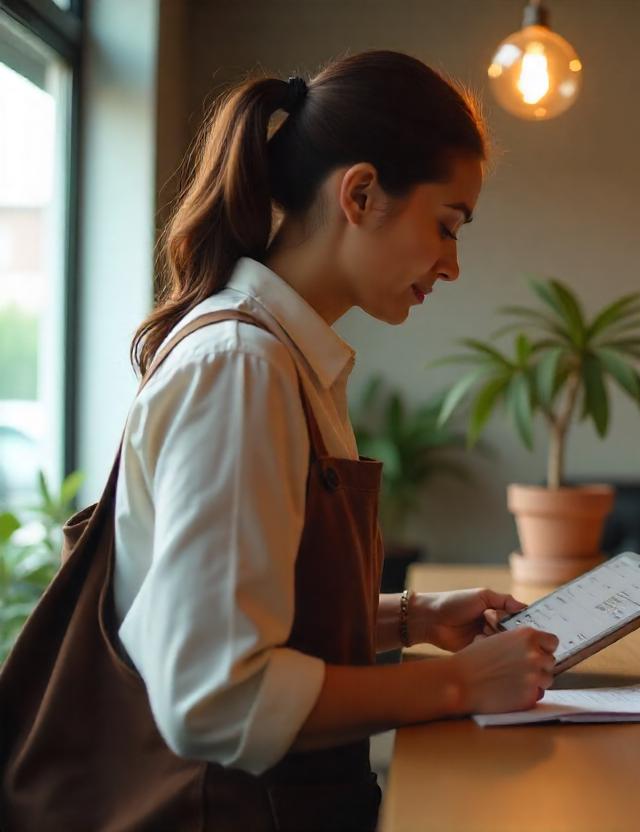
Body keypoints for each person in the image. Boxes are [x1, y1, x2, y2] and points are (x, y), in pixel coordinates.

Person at [3, 51, 556, 830]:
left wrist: (411, 618)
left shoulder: (280, 359)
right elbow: (216, 698)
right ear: (361, 194)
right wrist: (459, 683)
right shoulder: (242, 367)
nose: (452, 265)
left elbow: (252, 605)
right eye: (446, 225)